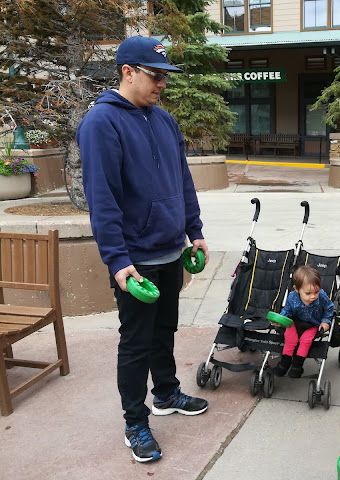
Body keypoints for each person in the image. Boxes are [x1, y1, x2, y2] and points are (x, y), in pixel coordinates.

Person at [76, 36, 210, 464]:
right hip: (136, 261)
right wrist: (117, 260)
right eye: (155, 76)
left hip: (171, 250)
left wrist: (194, 230)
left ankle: (166, 393)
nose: (162, 84)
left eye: (165, 77)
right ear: (127, 72)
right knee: (136, 343)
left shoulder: (164, 120)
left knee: (164, 330)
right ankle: (135, 422)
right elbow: (102, 199)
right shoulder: (101, 123)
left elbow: (182, 180)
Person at [270, 265, 334, 378]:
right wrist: (280, 320)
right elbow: (287, 310)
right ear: (297, 289)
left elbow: (329, 308)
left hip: (313, 324)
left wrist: (325, 321)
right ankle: (284, 364)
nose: (313, 296)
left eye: (316, 292)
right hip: (295, 322)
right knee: (290, 339)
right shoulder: (292, 297)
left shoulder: (322, 296)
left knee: (305, 341)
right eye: (308, 293)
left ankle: (297, 366)